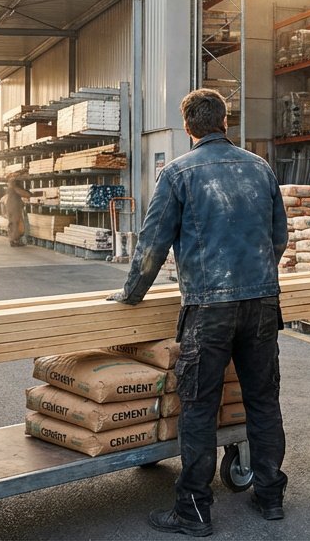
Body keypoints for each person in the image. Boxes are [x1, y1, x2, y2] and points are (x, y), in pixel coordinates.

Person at [107, 88, 288, 537]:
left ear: (188, 127)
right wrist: (256, 280)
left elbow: (153, 244)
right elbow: (278, 237)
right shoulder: (260, 168)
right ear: (225, 122)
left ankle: (193, 511)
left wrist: (130, 295)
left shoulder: (178, 173)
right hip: (262, 304)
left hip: (209, 308)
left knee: (199, 406)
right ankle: (270, 497)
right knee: (263, 401)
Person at [4, 177, 32, 246]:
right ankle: (15, 240)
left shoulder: (10, 190)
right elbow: (25, 194)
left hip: (11, 208)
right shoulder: (14, 188)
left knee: (12, 224)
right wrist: (30, 194)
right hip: (14, 209)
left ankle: (12, 240)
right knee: (15, 224)